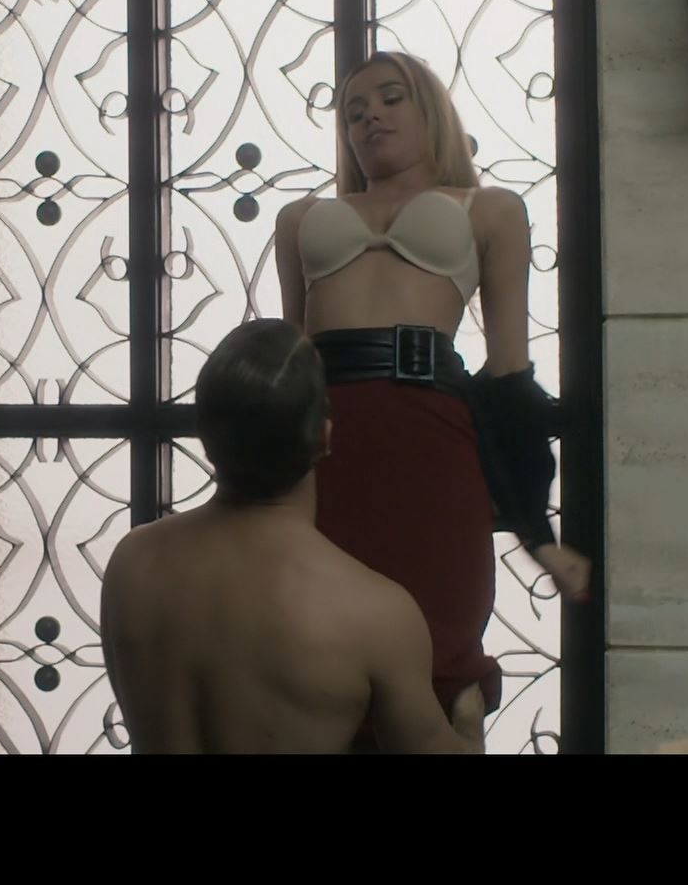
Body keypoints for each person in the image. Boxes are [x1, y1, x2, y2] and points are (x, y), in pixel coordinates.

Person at [271, 51, 593, 735]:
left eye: (391, 98)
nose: (370, 117)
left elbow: (508, 375)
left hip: (433, 436)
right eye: (354, 111)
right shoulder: (300, 217)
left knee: (442, 660)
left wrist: (538, 535)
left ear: (431, 111)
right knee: (314, 653)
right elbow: (290, 361)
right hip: (325, 442)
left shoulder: (491, 210)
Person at [100, 319, 486, 753]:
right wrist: (470, 724)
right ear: (325, 437)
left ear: (204, 436)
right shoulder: (375, 614)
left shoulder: (132, 563)